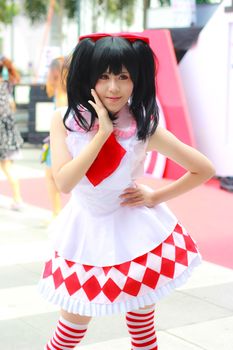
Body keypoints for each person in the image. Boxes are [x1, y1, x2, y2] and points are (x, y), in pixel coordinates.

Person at [38, 33, 215, 350]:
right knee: (68, 333)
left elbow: (203, 168)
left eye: (123, 77)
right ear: (88, 77)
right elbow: (64, 182)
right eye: (104, 76)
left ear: (137, 80)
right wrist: (102, 134)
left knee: (142, 332)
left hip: (135, 235)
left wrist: (155, 197)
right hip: (84, 234)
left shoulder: (143, 126)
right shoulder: (65, 121)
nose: (113, 88)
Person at [43, 57, 68, 219]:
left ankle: (58, 214)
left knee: (60, 179)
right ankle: (56, 213)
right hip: (55, 139)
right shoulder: (58, 91)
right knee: (50, 176)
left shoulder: (67, 93)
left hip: (65, 140)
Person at [0, 56, 24, 210]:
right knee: (8, 167)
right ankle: (17, 199)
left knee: (7, 167)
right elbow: (11, 108)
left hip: (3, 135)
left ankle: (18, 199)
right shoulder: (6, 86)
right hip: (8, 133)